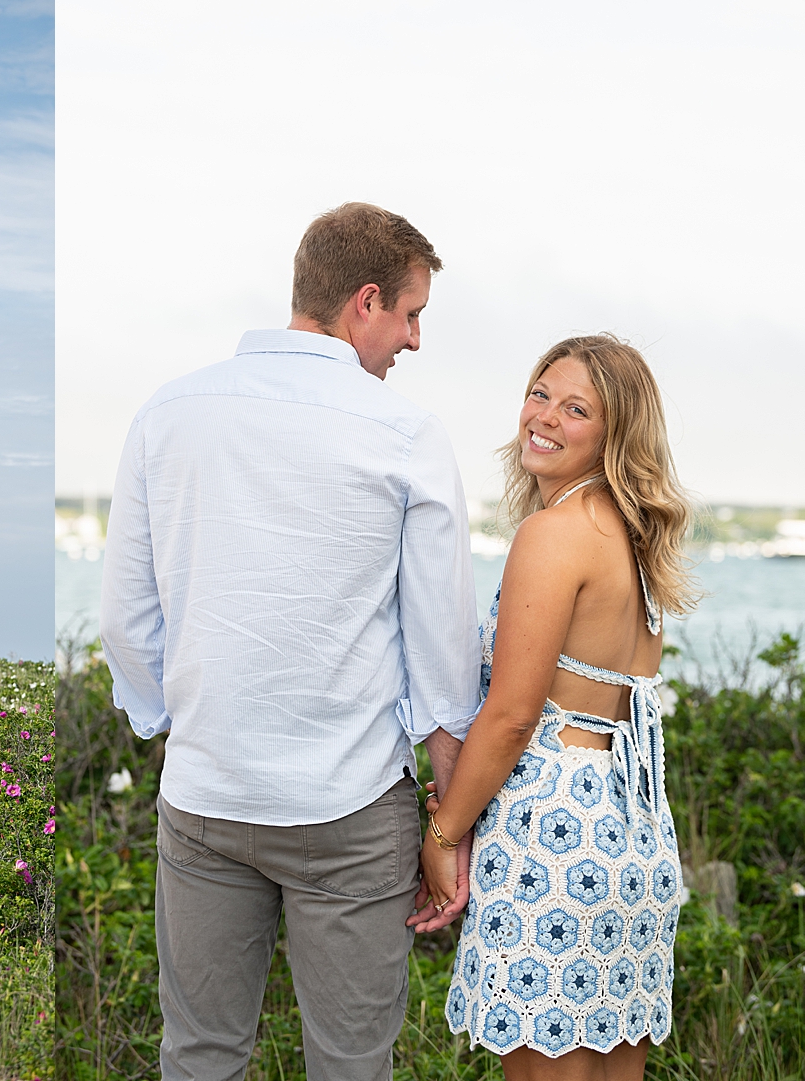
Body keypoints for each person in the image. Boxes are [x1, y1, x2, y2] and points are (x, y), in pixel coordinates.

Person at [101, 202, 482, 1081]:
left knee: (199, 1054)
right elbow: (442, 655)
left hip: (204, 798)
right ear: (366, 301)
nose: (415, 342)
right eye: (413, 315)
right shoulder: (405, 433)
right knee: (350, 1062)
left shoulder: (168, 412)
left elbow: (127, 617)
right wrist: (446, 822)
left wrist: (178, 724)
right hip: (351, 809)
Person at [419, 335, 696, 1078]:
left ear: (613, 433)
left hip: (552, 830)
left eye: (577, 408)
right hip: (629, 831)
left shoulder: (555, 535)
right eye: (540, 393)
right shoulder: (633, 539)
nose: (544, 416)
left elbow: (512, 716)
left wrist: (444, 833)